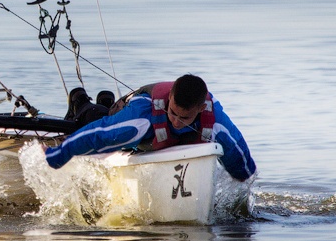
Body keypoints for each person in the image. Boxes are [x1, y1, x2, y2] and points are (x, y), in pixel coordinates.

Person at [45, 74, 256, 182]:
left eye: (185, 118)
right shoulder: (141, 118)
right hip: (120, 112)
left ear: (201, 108)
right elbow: (98, 135)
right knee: (98, 119)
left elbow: (243, 164)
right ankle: (80, 101)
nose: (175, 121)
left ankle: (102, 100)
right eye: (172, 113)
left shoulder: (217, 124)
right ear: (170, 97)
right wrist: (58, 154)